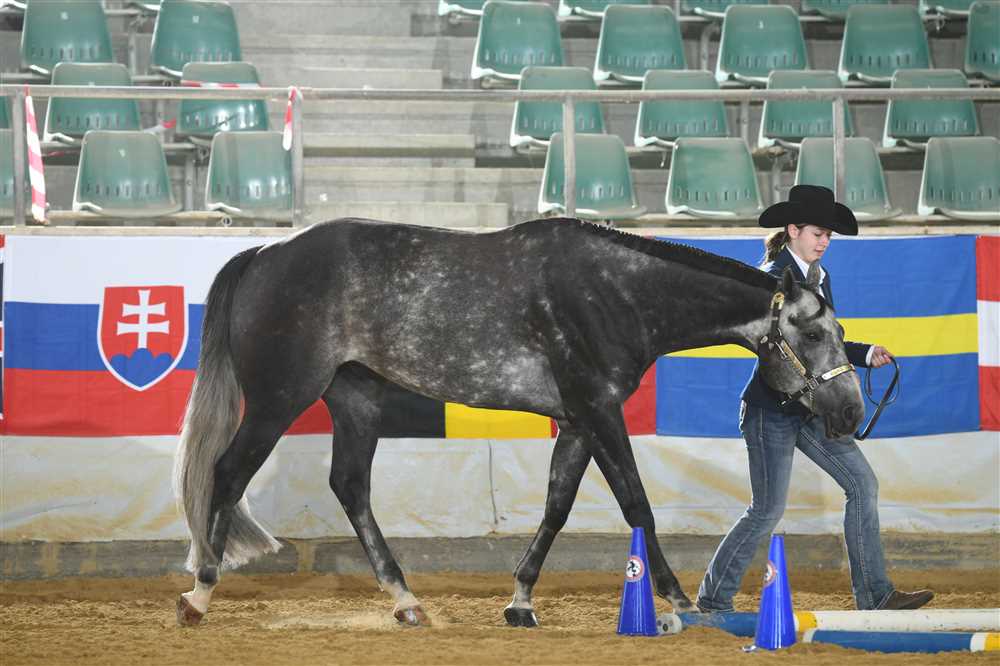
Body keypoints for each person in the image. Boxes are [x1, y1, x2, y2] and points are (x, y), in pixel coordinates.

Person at [696, 185, 933, 613]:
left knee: (862, 485)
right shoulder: (772, 279)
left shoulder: (820, 278)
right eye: (818, 233)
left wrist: (863, 354)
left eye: (828, 235)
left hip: (810, 408)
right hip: (771, 410)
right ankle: (714, 598)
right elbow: (779, 347)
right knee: (766, 510)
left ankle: (875, 596)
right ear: (793, 230)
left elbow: (821, 345)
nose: (824, 242)